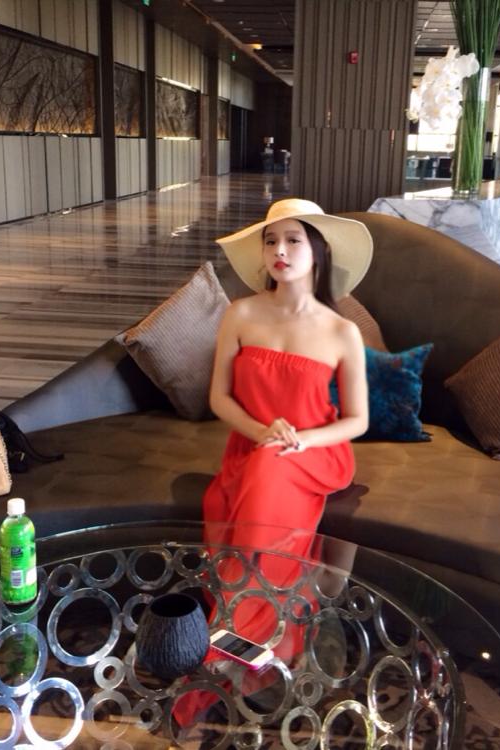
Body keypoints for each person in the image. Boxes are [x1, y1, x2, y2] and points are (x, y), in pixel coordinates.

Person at [204, 197, 371, 641]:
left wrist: (302, 441)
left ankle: (237, 631)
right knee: (250, 476)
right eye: (270, 241)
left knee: (270, 465)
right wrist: (263, 432)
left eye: (293, 240)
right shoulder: (240, 313)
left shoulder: (342, 331)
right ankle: (260, 629)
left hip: (317, 452)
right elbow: (219, 398)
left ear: (318, 251)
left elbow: (357, 420)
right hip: (251, 446)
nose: (279, 250)